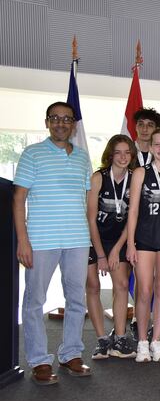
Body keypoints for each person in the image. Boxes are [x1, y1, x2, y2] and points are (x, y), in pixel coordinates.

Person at [13, 102, 93, 385]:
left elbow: (84, 202)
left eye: (67, 119)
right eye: (55, 118)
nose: (61, 123)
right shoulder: (32, 154)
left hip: (77, 240)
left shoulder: (83, 157)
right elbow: (19, 198)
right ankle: (38, 360)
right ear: (47, 122)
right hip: (41, 240)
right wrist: (22, 240)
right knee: (35, 301)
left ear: (73, 124)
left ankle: (71, 353)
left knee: (76, 300)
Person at [126, 128, 160, 363]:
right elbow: (134, 210)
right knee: (145, 290)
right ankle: (142, 341)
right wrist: (130, 243)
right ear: (150, 147)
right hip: (145, 239)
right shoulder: (140, 172)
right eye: (157, 144)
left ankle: (157, 340)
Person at [86, 134, 137, 360]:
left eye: (127, 152)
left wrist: (116, 249)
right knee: (94, 286)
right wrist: (100, 254)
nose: (123, 156)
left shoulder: (135, 177)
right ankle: (101, 340)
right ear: (110, 154)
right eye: (119, 152)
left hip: (120, 239)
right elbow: (90, 218)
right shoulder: (98, 177)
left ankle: (119, 336)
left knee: (122, 285)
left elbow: (132, 218)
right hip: (93, 238)